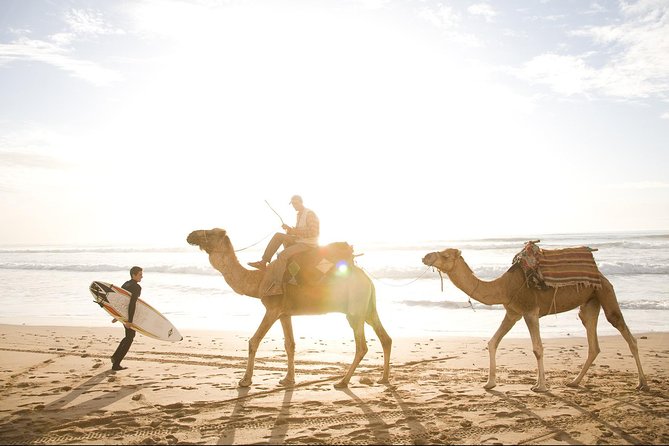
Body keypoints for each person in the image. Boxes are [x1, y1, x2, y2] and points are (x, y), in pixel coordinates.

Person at [248, 195, 320, 270]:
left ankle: (277, 281)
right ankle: (263, 262)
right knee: (278, 235)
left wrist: (294, 231)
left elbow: (314, 232)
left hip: (308, 244)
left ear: (301, 202)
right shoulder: (299, 214)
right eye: (292, 204)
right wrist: (289, 229)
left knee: (282, 255)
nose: (294, 205)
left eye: (295, 203)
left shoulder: (309, 214)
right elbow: (298, 231)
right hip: (299, 239)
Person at [111, 266, 142, 371]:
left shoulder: (125, 284)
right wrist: (129, 321)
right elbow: (131, 304)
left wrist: (117, 315)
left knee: (128, 337)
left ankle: (115, 357)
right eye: (140, 274)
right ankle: (116, 364)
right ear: (134, 275)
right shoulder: (137, 287)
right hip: (128, 316)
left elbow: (119, 301)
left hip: (123, 315)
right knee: (130, 338)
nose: (142, 277)